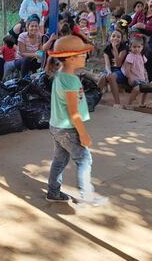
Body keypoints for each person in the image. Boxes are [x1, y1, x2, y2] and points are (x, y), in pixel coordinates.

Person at [44, 34, 108, 206]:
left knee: (60, 159)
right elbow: (74, 113)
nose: (85, 56)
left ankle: (53, 191)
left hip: (57, 126)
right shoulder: (71, 80)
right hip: (68, 129)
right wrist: (83, 134)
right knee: (84, 160)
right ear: (71, 58)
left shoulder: (61, 74)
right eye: (81, 54)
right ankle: (86, 195)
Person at [97, 30, 128, 107]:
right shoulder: (107, 49)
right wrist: (108, 71)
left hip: (122, 71)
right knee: (103, 77)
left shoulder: (123, 48)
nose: (115, 38)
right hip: (111, 70)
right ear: (110, 38)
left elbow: (118, 64)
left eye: (118, 37)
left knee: (111, 77)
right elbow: (107, 64)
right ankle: (95, 98)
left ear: (121, 39)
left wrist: (115, 49)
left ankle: (117, 103)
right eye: (113, 36)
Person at [121, 36, 149, 109]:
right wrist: (129, 78)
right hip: (134, 78)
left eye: (138, 47)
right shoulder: (130, 56)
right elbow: (127, 68)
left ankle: (142, 103)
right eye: (134, 47)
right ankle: (129, 103)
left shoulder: (141, 56)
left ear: (142, 47)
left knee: (147, 89)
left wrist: (146, 75)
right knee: (137, 89)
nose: (136, 49)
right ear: (130, 47)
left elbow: (143, 67)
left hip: (142, 78)